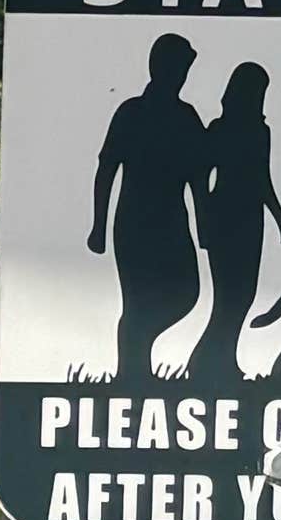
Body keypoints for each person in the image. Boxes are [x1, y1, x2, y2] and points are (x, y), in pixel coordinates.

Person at [86, 33, 206, 382]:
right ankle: (132, 374)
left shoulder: (187, 116)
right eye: (180, 67)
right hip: (135, 222)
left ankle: (136, 360)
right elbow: (106, 168)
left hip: (172, 222)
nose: (183, 74)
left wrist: (205, 227)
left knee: (186, 292)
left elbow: (198, 177)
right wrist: (98, 226)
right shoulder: (131, 112)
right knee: (137, 300)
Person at [188, 62, 281, 383]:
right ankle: (203, 364)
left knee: (244, 295)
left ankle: (223, 359)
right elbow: (200, 177)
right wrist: (204, 221)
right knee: (229, 296)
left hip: (251, 219)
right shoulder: (219, 129)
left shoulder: (260, 131)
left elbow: (262, 179)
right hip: (224, 215)